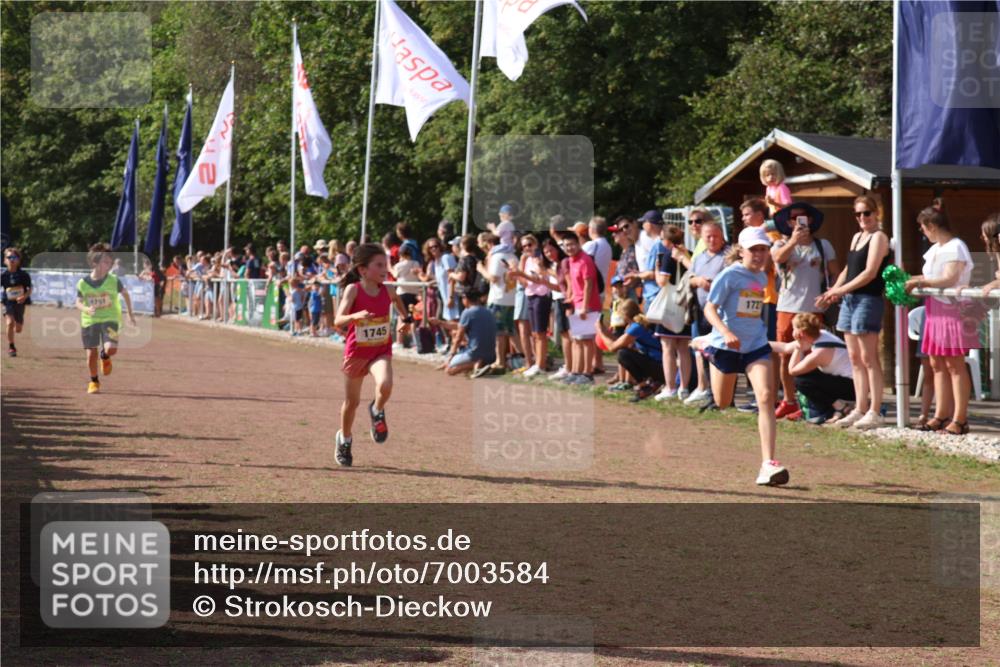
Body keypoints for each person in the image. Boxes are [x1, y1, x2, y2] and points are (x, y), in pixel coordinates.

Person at [700, 226, 787, 486]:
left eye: (763, 249)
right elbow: (709, 308)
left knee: (766, 396)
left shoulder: (762, 277)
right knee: (724, 402)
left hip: (754, 345)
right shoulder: (729, 275)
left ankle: (768, 464)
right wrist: (725, 331)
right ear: (741, 251)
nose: (759, 254)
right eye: (754, 250)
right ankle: (703, 345)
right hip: (726, 346)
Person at [333, 243, 413, 466]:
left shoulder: (387, 289)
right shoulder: (354, 290)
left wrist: (405, 320)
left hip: (380, 349)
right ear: (363, 270)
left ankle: (377, 410)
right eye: (379, 265)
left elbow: (397, 301)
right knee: (352, 402)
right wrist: (355, 316)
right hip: (357, 352)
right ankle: (344, 439)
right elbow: (337, 320)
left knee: (386, 384)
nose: (384, 269)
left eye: (386, 265)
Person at [816, 195, 890, 430]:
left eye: (866, 213)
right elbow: (849, 268)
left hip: (867, 298)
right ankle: (859, 407)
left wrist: (841, 290)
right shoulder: (858, 236)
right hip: (849, 299)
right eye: (858, 214)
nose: (862, 218)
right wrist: (834, 291)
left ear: (875, 212)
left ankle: (875, 410)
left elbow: (869, 273)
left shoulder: (879, 237)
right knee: (855, 358)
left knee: (869, 358)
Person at [904, 206, 978, 435]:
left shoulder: (956, 247)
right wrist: (906, 279)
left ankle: (960, 418)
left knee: (955, 365)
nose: (922, 232)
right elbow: (930, 276)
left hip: (952, 308)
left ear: (932, 226)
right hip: (934, 308)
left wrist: (919, 284)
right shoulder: (936, 249)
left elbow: (950, 278)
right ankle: (941, 414)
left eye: (923, 227)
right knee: (936, 364)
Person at [771, 203, 839, 421]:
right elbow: (778, 258)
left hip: (814, 309)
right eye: (794, 218)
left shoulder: (823, 244)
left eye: (803, 217)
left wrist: (833, 293)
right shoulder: (780, 243)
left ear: (810, 220)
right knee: (786, 356)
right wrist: (793, 241)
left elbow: (834, 272)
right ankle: (789, 400)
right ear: (788, 223)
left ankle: (810, 402)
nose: (799, 221)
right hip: (787, 307)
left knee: (814, 358)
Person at [769, 313, 855, 424]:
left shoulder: (821, 352)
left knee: (802, 381)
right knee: (807, 376)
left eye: (794, 328)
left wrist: (799, 347)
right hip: (846, 381)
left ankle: (840, 407)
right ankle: (836, 407)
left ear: (800, 333)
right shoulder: (821, 335)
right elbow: (785, 347)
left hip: (852, 387)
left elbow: (792, 371)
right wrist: (757, 345)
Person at [75, 243, 137, 394]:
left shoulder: (114, 280)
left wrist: (130, 314)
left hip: (111, 319)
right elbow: (78, 301)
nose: (109, 265)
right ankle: (94, 381)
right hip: (90, 321)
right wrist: (86, 309)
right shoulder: (83, 283)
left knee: (111, 349)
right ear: (94, 262)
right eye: (105, 262)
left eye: (110, 262)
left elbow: (126, 294)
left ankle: (105, 356)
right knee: (90, 354)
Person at [683, 220, 728, 406]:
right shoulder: (699, 257)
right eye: (708, 236)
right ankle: (706, 389)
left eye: (715, 236)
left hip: (720, 312)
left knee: (718, 352)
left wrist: (714, 283)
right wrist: (698, 280)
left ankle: (722, 394)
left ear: (722, 236)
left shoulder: (727, 256)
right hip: (700, 310)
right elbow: (690, 278)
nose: (712, 239)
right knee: (701, 350)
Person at [652, 224, 692, 401]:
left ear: (666, 241)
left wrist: (656, 267)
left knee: (667, 347)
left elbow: (662, 282)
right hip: (685, 304)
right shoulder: (688, 253)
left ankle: (670, 387)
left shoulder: (668, 256)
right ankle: (684, 387)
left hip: (670, 305)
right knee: (683, 348)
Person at [596, 299, 663, 402]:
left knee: (623, 354)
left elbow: (612, 347)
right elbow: (619, 342)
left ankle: (644, 386)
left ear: (625, 315)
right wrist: (604, 330)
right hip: (659, 365)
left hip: (660, 367)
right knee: (625, 352)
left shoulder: (636, 327)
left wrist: (600, 331)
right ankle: (649, 384)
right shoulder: (637, 324)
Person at [508, 233, 552, 378]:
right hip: (531, 295)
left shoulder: (539, 259)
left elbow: (539, 279)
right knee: (534, 333)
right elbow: (525, 282)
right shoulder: (527, 260)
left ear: (535, 245)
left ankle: (541, 364)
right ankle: (537, 363)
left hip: (541, 295)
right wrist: (516, 274)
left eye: (529, 245)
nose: (527, 248)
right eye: (524, 246)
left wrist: (521, 273)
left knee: (540, 333)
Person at [561, 231, 602, 385]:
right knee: (577, 340)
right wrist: (571, 299)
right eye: (566, 246)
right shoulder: (572, 260)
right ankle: (576, 371)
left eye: (571, 244)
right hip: (577, 303)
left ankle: (587, 373)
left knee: (586, 341)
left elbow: (589, 284)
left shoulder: (585, 260)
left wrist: (584, 306)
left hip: (588, 305)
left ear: (578, 243)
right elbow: (574, 284)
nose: (569, 248)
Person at [433, 287, 497, 376]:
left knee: (450, 370)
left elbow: (459, 336)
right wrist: (439, 322)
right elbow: (459, 326)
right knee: (458, 364)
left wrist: (451, 356)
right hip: (492, 354)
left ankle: (476, 364)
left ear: (466, 298)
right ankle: (479, 365)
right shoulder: (487, 311)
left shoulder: (468, 312)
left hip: (474, 353)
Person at [478, 233, 517, 373]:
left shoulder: (496, 257)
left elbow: (493, 278)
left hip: (498, 297)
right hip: (511, 297)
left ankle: (500, 360)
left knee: (499, 332)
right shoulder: (512, 255)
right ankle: (518, 358)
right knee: (510, 331)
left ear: (488, 244)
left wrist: (481, 269)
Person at [2, 247, 31, 357]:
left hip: (20, 303)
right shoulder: (3, 275)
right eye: (9, 257)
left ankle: (15, 327)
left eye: (14, 257)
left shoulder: (24, 275)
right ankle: (11, 346)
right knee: (9, 323)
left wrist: (24, 296)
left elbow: (29, 289)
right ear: (5, 260)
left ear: (18, 260)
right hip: (7, 302)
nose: (11, 259)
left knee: (18, 329)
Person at [634, 210, 663, 285]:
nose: (642, 226)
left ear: (649, 224)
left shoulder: (658, 244)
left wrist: (636, 275)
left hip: (655, 292)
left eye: (644, 222)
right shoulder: (661, 242)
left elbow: (652, 273)